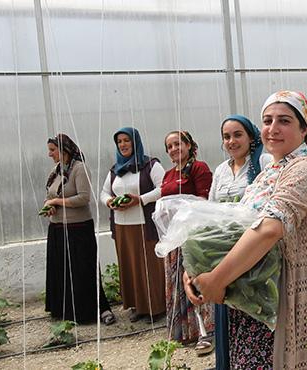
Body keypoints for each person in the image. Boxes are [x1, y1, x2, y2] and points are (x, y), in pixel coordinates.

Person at [184, 91, 307, 369]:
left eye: (285, 121)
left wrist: (215, 279)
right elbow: (233, 227)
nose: (273, 128)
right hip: (254, 301)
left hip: (282, 302)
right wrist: (194, 267)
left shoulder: (304, 170)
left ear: (305, 129)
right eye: (267, 120)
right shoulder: (269, 172)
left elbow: (268, 229)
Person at [208, 114, 273, 369]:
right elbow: (212, 209)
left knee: (253, 308)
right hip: (225, 248)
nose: (232, 141)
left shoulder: (264, 161)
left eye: (238, 135)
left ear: (250, 136)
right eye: (227, 136)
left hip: (255, 250)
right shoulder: (221, 170)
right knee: (229, 305)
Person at [43, 133, 115, 325]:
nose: (49, 154)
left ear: (64, 150)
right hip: (58, 228)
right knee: (63, 270)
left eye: (52, 150)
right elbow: (50, 194)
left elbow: (84, 198)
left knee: (82, 270)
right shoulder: (57, 170)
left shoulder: (79, 168)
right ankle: (66, 310)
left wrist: (56, 201)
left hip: (78, 229)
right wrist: (49, 206)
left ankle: (91, 310)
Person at [100, 126, 166, 323]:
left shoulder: (150, 165)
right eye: (119, 142)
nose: (123, 145)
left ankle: (156, 307)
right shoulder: (115, 170)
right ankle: (138, 306)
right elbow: (104, 192)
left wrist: (141, 199)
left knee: (149, 266)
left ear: (135, 142)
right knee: (130, 266)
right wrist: (109, 202)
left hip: (145, 225)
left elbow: (164, 188)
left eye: (126, 140)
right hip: (122, 226)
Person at [159, 130, 214, 353]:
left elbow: (205, 201)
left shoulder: (199, 168)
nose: (174, 149)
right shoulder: (168, 174)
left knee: (195, 281)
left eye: (178, 143)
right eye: (169, 146)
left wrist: (181, 209)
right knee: (177, 285)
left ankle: (206, 332)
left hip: (193, 236)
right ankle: (185, 332)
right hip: (175, 236)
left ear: (189, 145)